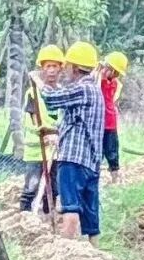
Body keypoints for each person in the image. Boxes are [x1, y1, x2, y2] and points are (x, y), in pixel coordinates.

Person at [40, 41, 104, 245]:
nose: (64, 70)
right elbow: (80, 122)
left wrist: (39, 81)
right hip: (91, 162)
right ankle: (96, 254)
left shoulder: (82, 89)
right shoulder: (96, 91)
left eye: (66, 66)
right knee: (91, 216)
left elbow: (51, 99)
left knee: (71, 206)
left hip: (74, 159)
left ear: (75, 67)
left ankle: (65, 251)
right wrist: (53, 130)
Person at [20, 45, 64, 213]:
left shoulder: (62, 92)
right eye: (48, 66)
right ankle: (24, 216)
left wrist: (57, 135)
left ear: (60, 68)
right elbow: (33, 118)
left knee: (53, 188)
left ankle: (48, 216)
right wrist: (44, 134)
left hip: (55, 149)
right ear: (42, 69)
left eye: (55, 66)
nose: (51, 70)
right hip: (36, 148)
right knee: (31, 187)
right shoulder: (33, 93)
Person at [100, 51, 127, 183]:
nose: (116, 75)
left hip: (110, 122)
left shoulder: (114, 84)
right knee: (98, 152)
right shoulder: (99, 81)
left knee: (112, 152)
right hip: (99, 123)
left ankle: (115, 178)